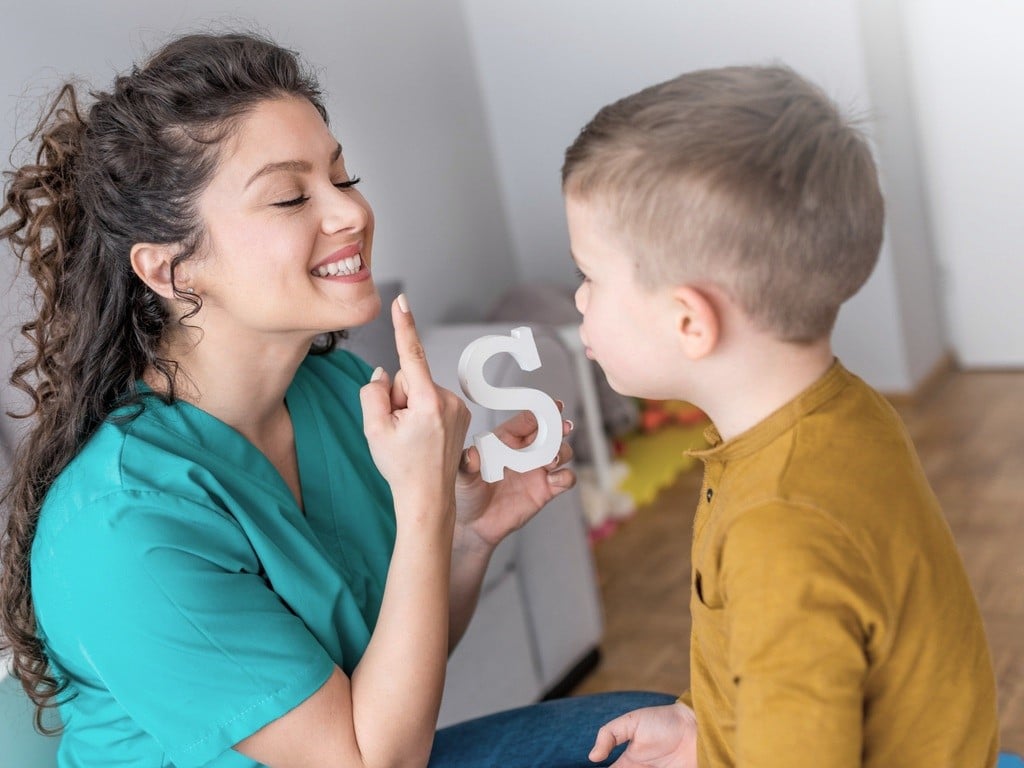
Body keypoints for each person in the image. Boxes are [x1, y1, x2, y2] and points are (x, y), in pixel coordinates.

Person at [0, 31, 673, 768]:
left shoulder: (339, 393)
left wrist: (464, 538)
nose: (351, 213)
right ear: (170, 268)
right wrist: (423, 503)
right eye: (291, 195)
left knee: (659, 736)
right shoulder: (125, 525)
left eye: (343, 178)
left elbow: (391, 672)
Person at [561, 65, 1000, 767]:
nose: (579, 301)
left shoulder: (782, 528)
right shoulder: (839, 411)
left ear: (688, 321)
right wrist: (702, 724)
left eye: (590, 276)